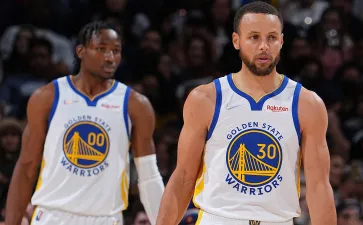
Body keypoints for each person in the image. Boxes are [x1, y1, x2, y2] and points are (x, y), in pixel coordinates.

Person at [156, 2, 336, 225]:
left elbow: (319, 187)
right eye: (254, 37)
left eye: (271, 38)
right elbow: (183, 178)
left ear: (281, 41)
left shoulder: (307, 104)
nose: (264, 46)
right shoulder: (206, 98)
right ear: (236, 41)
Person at [5, 21, 164, 225]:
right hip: (52, 216)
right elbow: (27, 166)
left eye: (116, 51)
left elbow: (149, 176)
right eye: (101, 49)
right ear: (80, 51)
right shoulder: (48, 97)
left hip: (106, 218)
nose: (110, 58)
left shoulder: (136, 105)